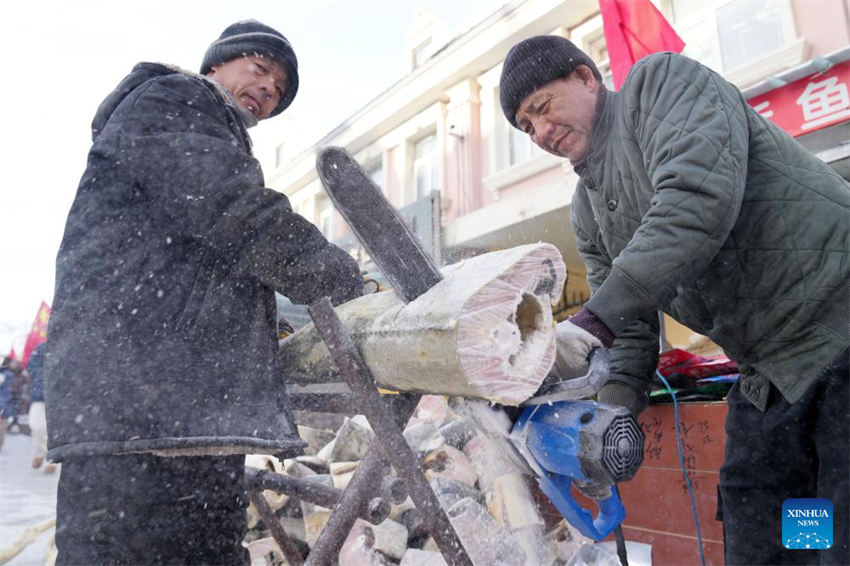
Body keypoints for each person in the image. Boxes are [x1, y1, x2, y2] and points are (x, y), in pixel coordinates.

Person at [499, 35, 849, 565]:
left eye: (543, 107)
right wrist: (607, 421)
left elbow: (695, 200)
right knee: (778, 527)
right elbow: (630, 327)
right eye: (527, 127)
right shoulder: (586, 209)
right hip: (773, 375)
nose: (541, 131)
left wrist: (592, 321)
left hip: (839, 330)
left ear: (586, 78)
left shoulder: (661, 85)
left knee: (841, 535)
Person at [45, 20, 362, 564]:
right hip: (138, 407)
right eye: (260, 69)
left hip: (185, 409)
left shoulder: (207, 130)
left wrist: (266, 329)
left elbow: (202, 263)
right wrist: (343, 280)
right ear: (216, 64)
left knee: (207, 550)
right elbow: (236, 211)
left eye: (278, 90)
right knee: (121, 550)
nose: (267, 90)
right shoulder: (174, 99)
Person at [26, 341, 55, 473]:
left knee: (54, 431)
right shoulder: (40, 349)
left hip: (59, 397)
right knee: (36, 426)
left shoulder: (67, 344)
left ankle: (50, 460)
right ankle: (40, 453)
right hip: (39, 395)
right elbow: (31, 367)